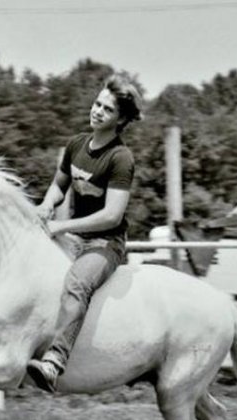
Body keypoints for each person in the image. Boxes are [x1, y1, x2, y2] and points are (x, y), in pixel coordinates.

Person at [27, 73, 143, 392]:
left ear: (120, 120)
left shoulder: (121, 158)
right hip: (74, 238)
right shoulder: (76, 144)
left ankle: (54, 362)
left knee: (77, 282)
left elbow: (111, 215)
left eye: (107, 109)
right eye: (97, 104)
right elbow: (59, 185)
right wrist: (46, 206)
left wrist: (62, 226)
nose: (97, 111)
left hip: (106, 243)